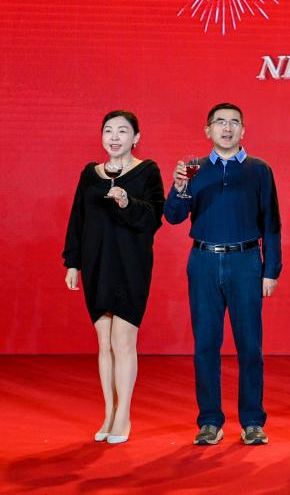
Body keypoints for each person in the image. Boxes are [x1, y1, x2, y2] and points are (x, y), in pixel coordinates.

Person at [164, 102, 282, 447]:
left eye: (234, 123)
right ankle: (210, 421)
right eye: (219, 122)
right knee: (205, 345)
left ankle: (253, 421)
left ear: (243, 130)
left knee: (250, 346)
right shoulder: (193, 169)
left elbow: (271, 224)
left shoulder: (259, 170)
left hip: (246, 262)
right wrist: (180, 187)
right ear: (208, 130)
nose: (227, 128)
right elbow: (173, 216)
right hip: (203, 261)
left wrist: (270, 270)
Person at [62, 110, 165, 444]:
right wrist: (72, 263)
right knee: (104, 343)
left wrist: (126, 202)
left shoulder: (148, 171)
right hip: (96, 264)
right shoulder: (89, 174)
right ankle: (108, 412)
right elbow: (77, 219)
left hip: (130, 265)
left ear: (136, 138)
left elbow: (154, 217)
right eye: (109, 131)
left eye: (123, 131)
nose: (115, 137)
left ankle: (124, 416)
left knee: (123, 341)